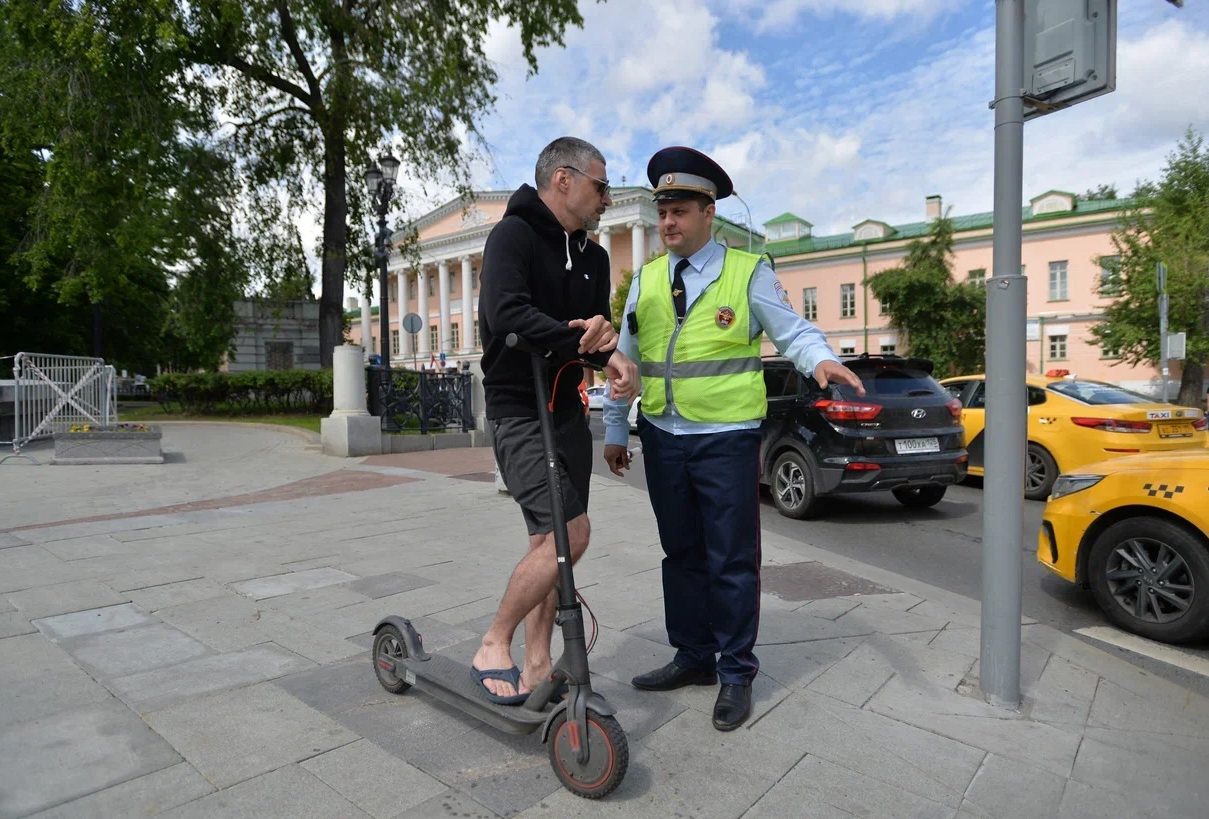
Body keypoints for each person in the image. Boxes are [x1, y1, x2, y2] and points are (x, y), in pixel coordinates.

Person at [602, 146, 865, 730]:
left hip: (726, 440)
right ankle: (693, 655)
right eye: (662, 210)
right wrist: (617, 430)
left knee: (732, 559)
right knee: (682, 554)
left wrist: (820, 360)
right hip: (664, 437)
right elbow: (623, 363)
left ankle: (736, 672)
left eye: (680, 210)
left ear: (708, 213)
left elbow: (794, 331)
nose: (667, 222)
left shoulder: (748, 273)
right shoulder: (645, 280)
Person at [473, 136, 638, 703]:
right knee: (572, 535)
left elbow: (590, 338)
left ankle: (538, 660)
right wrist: (586, 337)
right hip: (519, 410)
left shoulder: (592, 256)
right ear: (563, 179)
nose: (607, 196)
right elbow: (506, 312)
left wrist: (609, 352)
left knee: (550, 539)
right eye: (601, 184)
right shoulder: (512, 235)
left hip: (568, 411)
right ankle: (494, 642)